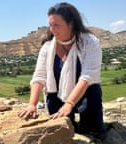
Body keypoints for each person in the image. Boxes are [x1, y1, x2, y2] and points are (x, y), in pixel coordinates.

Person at [18, 2, 105, 137]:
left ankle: (92, 128)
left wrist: (69, 104)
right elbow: (39, 76)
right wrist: (32, 104)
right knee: (62, 132)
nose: (52, 29)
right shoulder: (47, 47)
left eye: (57, 25)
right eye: (50, 25)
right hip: (57, 96)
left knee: (92, 132)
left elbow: (87, 76)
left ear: (71, 24)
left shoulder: (89, 42)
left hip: (85, 95)